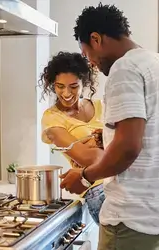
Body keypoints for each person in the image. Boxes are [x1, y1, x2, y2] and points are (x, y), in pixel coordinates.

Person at [60, 3, 159, 250]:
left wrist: (85, 177)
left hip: (132, 219)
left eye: (87, 55)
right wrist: (112, 137)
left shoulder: (125, 68)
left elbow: (129, 148)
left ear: (96, 39)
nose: (92, 65)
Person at [39, 51, 105, 224]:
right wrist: (105, 141)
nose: (66, 93)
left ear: (85, 83)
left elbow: (133, 144)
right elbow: (87, 158)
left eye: (73, 86)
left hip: (126, 183)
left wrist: (97, 144)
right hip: (98, 190)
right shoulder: (52, 118)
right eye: (60, 86)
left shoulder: (102, 106)